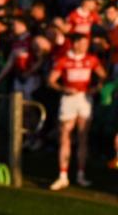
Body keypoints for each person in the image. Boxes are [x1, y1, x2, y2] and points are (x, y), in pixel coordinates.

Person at [47, 33, 107, 190]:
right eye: (82, 43)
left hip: (84, 99)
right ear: (75, 43)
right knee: (65, 135)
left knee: (82, 136)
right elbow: (51, 80)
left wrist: (96, 88)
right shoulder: (64, 60)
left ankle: (81, 174)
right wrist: (63, 88)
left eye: (86, 44)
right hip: (68, 100)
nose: (85, 46)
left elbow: (103, 75)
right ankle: (63, 175)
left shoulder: (91, 59)